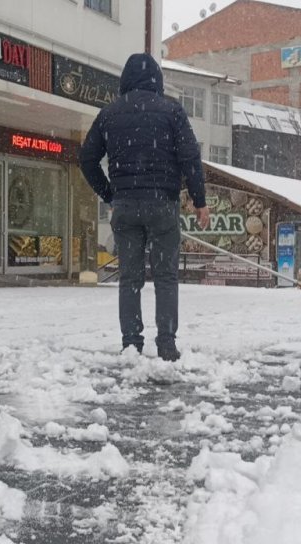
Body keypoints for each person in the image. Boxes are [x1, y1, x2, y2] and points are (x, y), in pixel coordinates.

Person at [80, 53, 209, 362]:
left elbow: (86, 159)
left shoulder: (109, 114)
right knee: (166, 277)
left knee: (130, 278)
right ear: (157, 80)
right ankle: (166, 343)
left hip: (125, 207)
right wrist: (199, 201)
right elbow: (190, 158)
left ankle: (130, 344)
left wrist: (110, 194)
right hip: (162, 204)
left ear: (125, 79)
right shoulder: (171, 111)